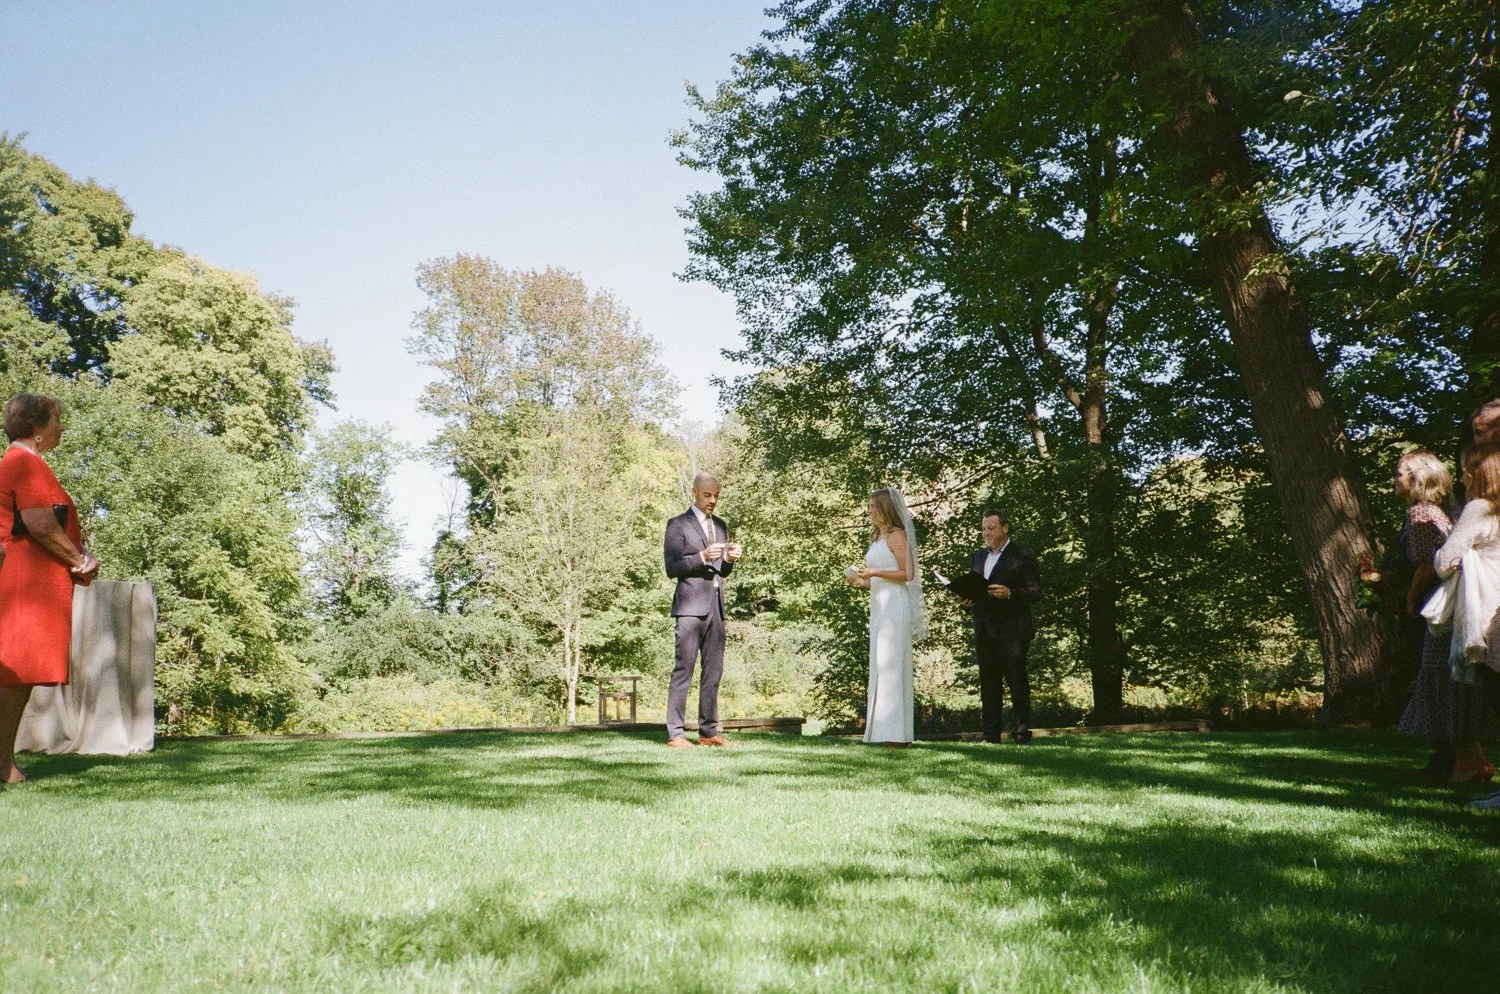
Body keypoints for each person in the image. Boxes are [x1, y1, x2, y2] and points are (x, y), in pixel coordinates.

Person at [0, 394, 99, 784]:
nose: (61, 426)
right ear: (36, 429)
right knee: (12, 675)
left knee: (17, 677)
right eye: (56, 420)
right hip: (25, 585)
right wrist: (78, 560)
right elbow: (39, 523)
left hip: (29, 582)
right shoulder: (24, 464)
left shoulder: (22, 463)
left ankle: (4, 764)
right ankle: (2, 765)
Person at [1392, 450, 1494, 781]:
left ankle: (1460, 761)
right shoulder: (1447, 512)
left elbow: (1427, 564)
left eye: (1401, 472)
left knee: (1441, 678)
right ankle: (1474, 760)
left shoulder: (1420, 514)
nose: (1395, 479)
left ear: (1419, 478)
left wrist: (1409, 598)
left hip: (1439, 609)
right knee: (1457, 681)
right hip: (1460, 606)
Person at [662, 472, 741, 748]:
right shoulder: (677, 525)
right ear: (694, 492)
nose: (713, 501)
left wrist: (728, 559)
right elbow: (672, 567)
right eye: (707, 495)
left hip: (716, 607)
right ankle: (676, 734)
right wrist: (700, 557)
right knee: (684, 669)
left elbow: (723, 570)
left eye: (717, 495)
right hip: (689, 607)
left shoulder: (720, 526)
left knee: (714, 670)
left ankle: (709, 732)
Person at [844, 487, 925, 746]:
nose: (869, 511)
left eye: (873, 506)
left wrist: (874, 571)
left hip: (895, 607)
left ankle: (897, 735)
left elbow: (907, 574)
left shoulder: (897, 535)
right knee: (880, 664)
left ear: (885, 509)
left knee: (892, 664)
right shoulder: (878, 537)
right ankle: (882, 732)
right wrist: (862, 582)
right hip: (880, 605)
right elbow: (880, 579)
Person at [965, 509, 1042, 744]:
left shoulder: (1022, 554)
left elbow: (1036, 591)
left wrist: (1010, 593)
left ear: (1005, 528)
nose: (986, 533)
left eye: (992, 528)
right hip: (984, 627)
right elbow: (976, 590)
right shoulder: (978, 557)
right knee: (988, 683)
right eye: (983, 529)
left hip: (1013, 630)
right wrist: (967, 599)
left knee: (1017, 681)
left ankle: (1022, 734)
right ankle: (990, 735)